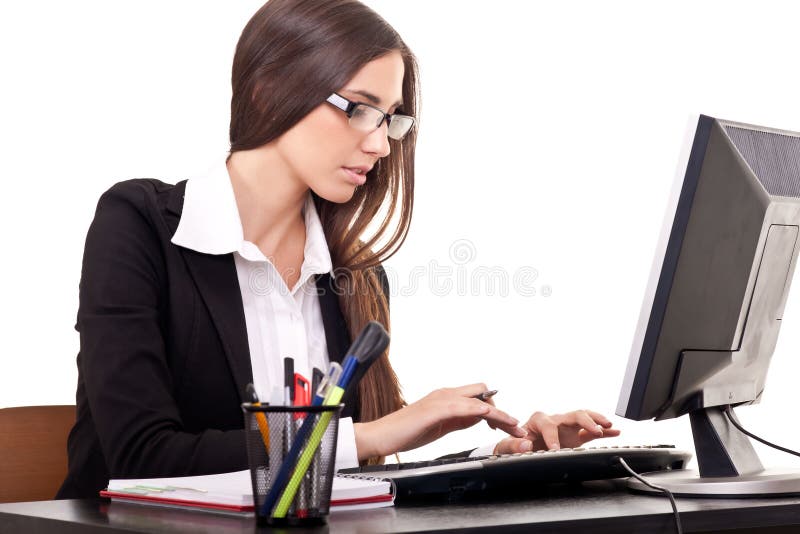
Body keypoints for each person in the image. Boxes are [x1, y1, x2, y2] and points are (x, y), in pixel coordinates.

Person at [56, 0, 619, 499]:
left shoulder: (357, 275)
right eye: (358, 107)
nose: (378, 143)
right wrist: (378, 432)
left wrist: (506, 463)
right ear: (268, 88)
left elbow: (353, 480)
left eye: (390, 119)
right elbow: (141, 460)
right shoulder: (140, 225)